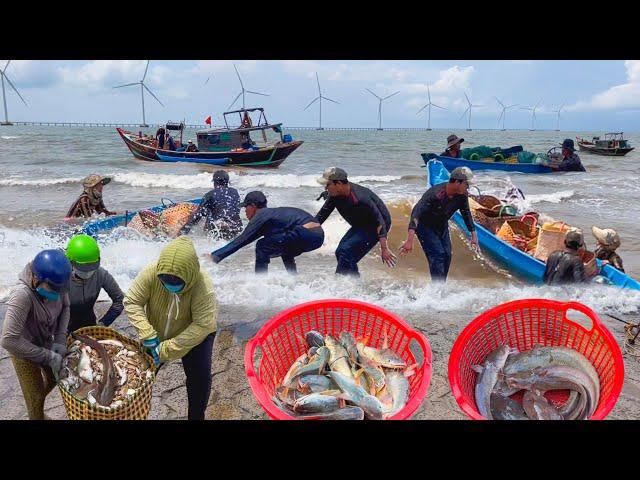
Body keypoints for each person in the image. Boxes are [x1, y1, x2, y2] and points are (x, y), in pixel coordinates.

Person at [124, 236, 217, 420]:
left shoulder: (203, 286)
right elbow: (132, 301)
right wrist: (146, 332)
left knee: (199, 379)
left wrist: (166, 349)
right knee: (138, 380)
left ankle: (196, 417)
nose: (169, 285)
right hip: (155, 333)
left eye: (176, 282)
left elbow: (202, 325)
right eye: (165, 280)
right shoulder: (151, 272)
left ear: (190, 275)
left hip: (196, 336)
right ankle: (133, 414)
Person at [1, 250, 72, 420]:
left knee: (56, 378)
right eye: (52, 290)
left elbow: (66, 307)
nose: (57, 295)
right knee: (35, 398)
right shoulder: (22, 295)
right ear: (35, 279)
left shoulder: (58, 281)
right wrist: (47, 356)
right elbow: (8, 340)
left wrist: (61, 338)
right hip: (24, 350)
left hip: (46, 340)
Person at [211, 191, 325, 274]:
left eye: (246, 207)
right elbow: (246, 241)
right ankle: (293, 277)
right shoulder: (271, 218)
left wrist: (215, 256)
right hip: (317, 236)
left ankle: (260, 281)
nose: (245, 211)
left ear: (253, 206)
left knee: (262, 245)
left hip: (305, 231)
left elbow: (242, 240)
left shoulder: (262, 214)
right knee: (283, 247)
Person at [399, 166, 479, 281]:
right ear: (457, 182)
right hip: (424, 226)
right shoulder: (435, 194)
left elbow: (466, 213)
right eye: (466, 184)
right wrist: (409, 240)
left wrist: (473, 235)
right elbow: (416, 214)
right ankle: (436, 288)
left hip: (441, 225)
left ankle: (439, 286)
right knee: (438, 255)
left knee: (447, 255)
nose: (468, 188)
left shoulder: (462, 196)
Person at [315, 167, 396, 276]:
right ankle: (354, 282)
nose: (325, 188)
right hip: (360, 223)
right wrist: (303, 228)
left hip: (377, 224)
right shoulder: (335, 195)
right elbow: (321, 216)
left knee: (346, 251)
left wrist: (384, 249)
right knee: (341, 253)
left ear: (338, 184)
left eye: (328, 185)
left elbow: (379, 221)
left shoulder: (360, 198)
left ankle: (339, 282)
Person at [65, 234, 124, 333]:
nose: (88, 272)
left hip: (90, 324)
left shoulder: (101, 274)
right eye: (83, 268)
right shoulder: (60, 277)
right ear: (70, 262)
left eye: (92, 267)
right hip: (64, 327)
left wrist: (103, 324)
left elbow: (119, 300)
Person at [181, 170, 243, 240]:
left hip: (218, 228)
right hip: (236, 227)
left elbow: (197, 216)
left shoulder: (210, 195)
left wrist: (182, 233)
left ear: (214, 182)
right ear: (227, 182)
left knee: (206, 217)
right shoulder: (235, 192)